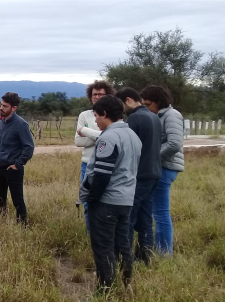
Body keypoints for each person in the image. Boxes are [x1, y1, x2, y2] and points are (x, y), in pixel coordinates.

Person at [79, 95, 141, 295]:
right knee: (123, 246)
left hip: (107, 201)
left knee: (103, 248)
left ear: (105, 114)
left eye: (96, 116)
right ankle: (125, 286)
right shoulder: (132, 135)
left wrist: (92, 199)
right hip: (126, 200)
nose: (95, 120)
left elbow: (102, 175)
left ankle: (104, 291)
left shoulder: (109, 137)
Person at [115, 87, 161, 266]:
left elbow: (128, 146)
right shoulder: (154, 117)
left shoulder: (135, 118)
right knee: (145, 218)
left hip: (139, 175)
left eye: (121, 105)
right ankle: (145, 257)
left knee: (127, 218)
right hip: (154, 173)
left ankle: (124, 260)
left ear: (128, 100)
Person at [141, 85, 184, 255]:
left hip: (165, 167)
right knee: (157, 212)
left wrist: (152, 157)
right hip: (160, 167)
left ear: (158, 101)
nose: (146, 107)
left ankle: (164, 253)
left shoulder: (171, 116)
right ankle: (160, 250)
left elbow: (174, 144)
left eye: (148, 103)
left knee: (160, 213)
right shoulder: (159, 115)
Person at [75, 80, 116, 232]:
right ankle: (90, 234)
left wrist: (85, 131)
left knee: (105, 201)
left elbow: (112, 137)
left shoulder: (115, 115)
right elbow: (78, 141)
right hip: (87, 163)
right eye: (94, 94)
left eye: (101, 94)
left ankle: (104, 234)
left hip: (106, 165)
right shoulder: (84, 115)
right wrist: (100, 136)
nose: (97, 97)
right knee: (87, 201)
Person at [0, 92, 34, 225]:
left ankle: (22, 227)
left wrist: (18, 164)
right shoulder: (0, 121)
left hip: (12, 169)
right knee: (0, 199)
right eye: (1, 104)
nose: (1, 108)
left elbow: (29, 147)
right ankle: (1, 224)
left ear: (14, 108)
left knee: (17, 200)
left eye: (5, 106)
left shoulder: (21, 124)